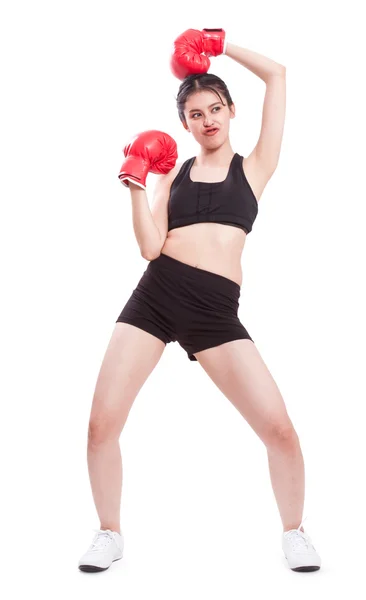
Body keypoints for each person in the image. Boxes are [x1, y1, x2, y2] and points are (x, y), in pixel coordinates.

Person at [78, 29, 321, 574]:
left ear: (231, 111)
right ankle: (108, 532)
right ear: (184, 124)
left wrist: (221, 42)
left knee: (279, 429)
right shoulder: (176, 176)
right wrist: (137, 181)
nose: (207, 119)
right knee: (101, 425)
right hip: (157, 294)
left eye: (216, 109)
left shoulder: (253, 169)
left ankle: (295, 532)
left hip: (215, 310)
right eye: (195, 113)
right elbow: (149, 247)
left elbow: (278, 74)